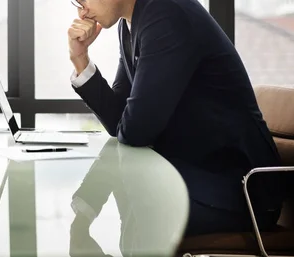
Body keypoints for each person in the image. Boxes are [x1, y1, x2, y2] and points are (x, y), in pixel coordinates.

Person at [67, 0, 286, 236]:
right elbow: (119, 121)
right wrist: (81, 59)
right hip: (191, 176)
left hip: (240, 191)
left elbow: (136, 132)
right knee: (132, 183)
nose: (82, 10)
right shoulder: (130, 24)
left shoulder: (167, 13)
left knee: (134, 185)